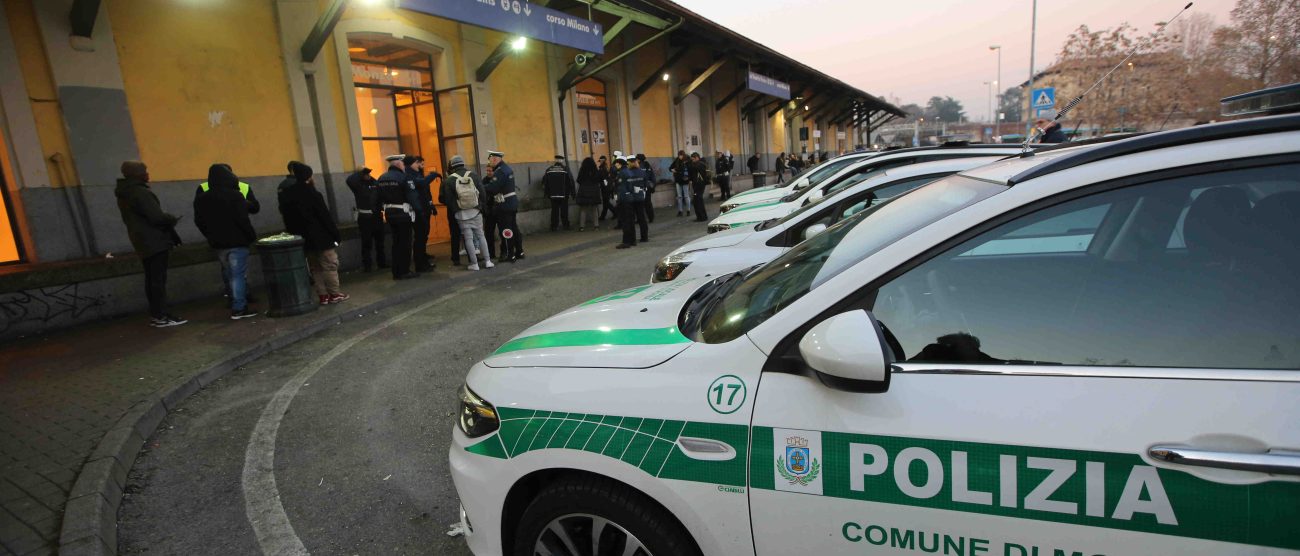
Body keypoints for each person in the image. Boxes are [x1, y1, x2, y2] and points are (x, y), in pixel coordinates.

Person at [116, 160, 186, 327]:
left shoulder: (125, 192)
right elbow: (156, 217)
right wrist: (171, 218)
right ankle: (161, 315)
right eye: (145, 171)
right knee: (157, 280)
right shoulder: (140, 193)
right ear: (138, 174)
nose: (148, 174)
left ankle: (157, 314)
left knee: (152, 279)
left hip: (142, 241)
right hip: (155, 240)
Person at [194, 163, 258, 320]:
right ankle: (239, 307)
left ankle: (233, 300)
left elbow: (199, 221)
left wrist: (209, 235)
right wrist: (250, 236)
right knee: (238, 274)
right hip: (237, 240)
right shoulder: (235, 195)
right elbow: (243, 219)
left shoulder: (203, 197)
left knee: (229, 272)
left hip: (218, 242)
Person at [279, 162, 348, 305]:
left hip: (303, 238)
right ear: (308, 176)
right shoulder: (313, 193)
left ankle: (322, 295)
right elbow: (325, 216)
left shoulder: (287, 194)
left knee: (315, 268)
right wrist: (336, 235)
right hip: (322, 237)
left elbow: (286, 216)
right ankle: (334, 294)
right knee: (329, 265)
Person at [440, 155, 494, 271]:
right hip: (475, 211)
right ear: (463, 164)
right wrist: (481, 207)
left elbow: (448, 199)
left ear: (452, 166)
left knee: (468, 238)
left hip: (461, 214)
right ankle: (488, 261)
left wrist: (456, 211)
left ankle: (474, 264)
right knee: (481, 235)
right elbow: (482, 193)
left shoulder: (449, 180)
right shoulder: (474, 175)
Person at [376, 154, 421, 279]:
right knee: (405, 243)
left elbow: (376, 198)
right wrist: (419, 211)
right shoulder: (404, 177)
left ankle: (396, 271)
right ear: (399, 164)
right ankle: (404, 271)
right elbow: (412, 197)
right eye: (402, 163)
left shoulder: (381, 178)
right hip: (403, 214)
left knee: (396, 243)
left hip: (389, 214)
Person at [484, 150, 524, 262]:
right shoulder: (505, 169)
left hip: (505, 204)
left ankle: (509, 254)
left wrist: (481, 186)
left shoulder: (500, 171)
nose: (490, 162)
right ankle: (519, 251)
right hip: (511, 203)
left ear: (496, 159)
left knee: (506, 230)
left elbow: (493, 188)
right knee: (514, 228)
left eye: (490, 159)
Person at [346, 167, 387, 272]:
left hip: (377, 216)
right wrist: (360, 172)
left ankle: (382, 262)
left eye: (368, 174)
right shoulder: (358, 186)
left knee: (380, 242)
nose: (368, 175)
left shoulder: (374, 184)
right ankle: (367, 265)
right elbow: (349, 180)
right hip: (365, 218)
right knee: (366, 243)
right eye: (365, 174)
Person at [405, 155, 439, 272]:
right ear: (411, 164)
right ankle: (420, 264)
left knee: (423, 236)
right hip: (419, 211)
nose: (418, 165)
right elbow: (422, 184)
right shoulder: (409, 175)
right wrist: (433, 175)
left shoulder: (416, 174)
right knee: (420, 237)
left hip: (424, 209)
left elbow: (426, 192)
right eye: (416, 163)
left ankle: (423, 259)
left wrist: (431, 205)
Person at [614, 156, 648, 249]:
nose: (615, 165)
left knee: (626, 221)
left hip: (624, 198)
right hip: (633, 197)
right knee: (632, 220)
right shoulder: (630, 172)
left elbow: (620, 187)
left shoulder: (622, 173)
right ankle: (633, 240)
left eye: (616, 163)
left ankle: (626, 241)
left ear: (619, 163)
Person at [542, 155, 575, 231]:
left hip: (553, 195)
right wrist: (573, 193)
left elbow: (544, 182)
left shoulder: (549, 169)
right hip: (564, 194)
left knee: (554, 211)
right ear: (562, 161)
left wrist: (546, 193)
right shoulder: (565, 169)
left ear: (555, 161)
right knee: (564, 210)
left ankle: (554, 226)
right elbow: (571, 181)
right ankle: (566, 225)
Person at [575, 157, 603, 231]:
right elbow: (599, 179)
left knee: (583, 209)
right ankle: (596, 226)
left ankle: (582, 227)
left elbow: (578, 180)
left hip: (584, 190)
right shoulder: (595, 170)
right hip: (594, 190)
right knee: (594, 208)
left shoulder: (582, 170)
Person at [629, 156, 650, 242]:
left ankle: (632, 238)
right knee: (642, 218)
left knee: (631, 218)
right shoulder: (642, 172)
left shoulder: (628, 173)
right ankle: (644, 237)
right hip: (641, 196)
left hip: (631, 198)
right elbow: (646, 185)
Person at [688, 152, 710, 221]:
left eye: (693, 159)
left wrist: (689, 164)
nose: (692, 161)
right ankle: (701, 216)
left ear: (697, 158)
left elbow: (694, 168)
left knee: (698, 201)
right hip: (696, 185)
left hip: (700, 185)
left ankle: (702, 217)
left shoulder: (700, 164)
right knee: (697, 201)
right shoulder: (695, 164)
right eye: (692, 160)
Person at [670, 150, 691, 217]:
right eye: (679, 155)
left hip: (685, 181)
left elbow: (687, 170)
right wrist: (672, 170)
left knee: (686, 196)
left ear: (683, 155)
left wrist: (676, 170)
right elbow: (670, 168)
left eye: (681, 155)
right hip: (678, 181)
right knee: (679, 197)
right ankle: (680, 211)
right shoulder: (676, 160)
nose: (680, 157)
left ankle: (688, 210)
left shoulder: (687, 161)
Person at [636, 153, 656, 223]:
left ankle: (641, 219)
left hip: (642, 187)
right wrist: (653, 185)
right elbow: (652, 176)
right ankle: (651, 217)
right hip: (648, 187)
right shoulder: (647, 165)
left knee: (640, 204)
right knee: (648, 203)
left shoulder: (639, 166)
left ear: (638, 159)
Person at [596, 155, 616, 222]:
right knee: (605, 202)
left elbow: (602, 178)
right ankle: (603, 216)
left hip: (605, 188)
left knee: (606, 202)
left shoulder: (603, 168)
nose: (600, 162)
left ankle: (615, 212)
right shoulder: (606, 167)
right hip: (607, 187)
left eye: (601, 161)